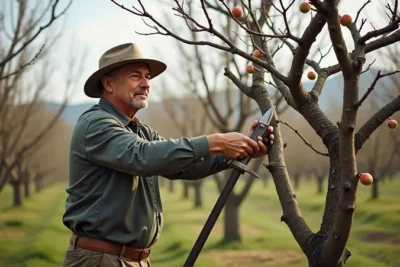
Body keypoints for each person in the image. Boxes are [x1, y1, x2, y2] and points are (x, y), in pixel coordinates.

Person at [62, 43, 274, 267]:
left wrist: (239, 150)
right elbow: (141, 155)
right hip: (100, 259)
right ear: (108, 84)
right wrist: (218, 142)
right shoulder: (96, 123)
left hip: (133, 259)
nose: (146, 84)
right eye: (136, 76)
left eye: (147, 77)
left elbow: (183, 165)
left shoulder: (140, 130)